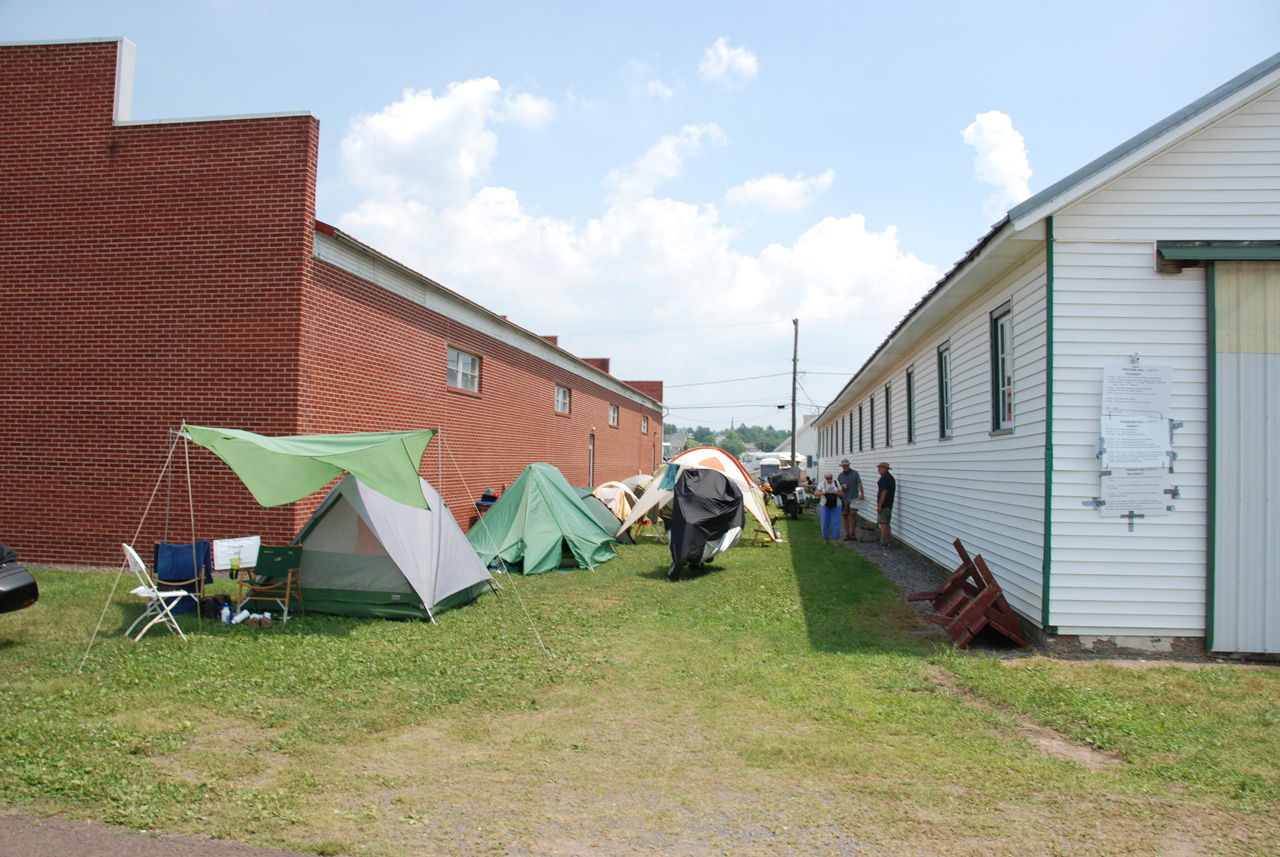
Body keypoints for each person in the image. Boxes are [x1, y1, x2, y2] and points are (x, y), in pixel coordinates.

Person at [836, 458, 865, 540]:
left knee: (853, 515)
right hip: (844, 498)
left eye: (845, 465)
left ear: (848, 465)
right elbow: (837, 486)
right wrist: (841, 487)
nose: (844, 467)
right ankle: (847, 533)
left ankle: (853, 532)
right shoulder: (840, 475)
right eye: (843, 465)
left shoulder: (855, 473)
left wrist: (862, 493)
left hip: (854, 497)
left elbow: (859, 483)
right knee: (845, 515)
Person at [815, 471, 842, 545]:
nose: (829, 480)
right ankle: (826, 539)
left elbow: (841, 494)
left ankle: (835, 540)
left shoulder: (836, 483)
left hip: (836, 504)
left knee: (835, 523)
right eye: (827, 479)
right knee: (824, 522)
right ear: (825, 478)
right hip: (824, 505)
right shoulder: (822, 484)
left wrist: (836, 493)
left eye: (830, 478)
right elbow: (816, 493)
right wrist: (824, 492)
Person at [875, 462, 896, 548]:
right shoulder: (891, 478)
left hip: (884, 505)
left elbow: (884, 492)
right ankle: (888, 542)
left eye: (879, 468)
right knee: (887, 523)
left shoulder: (884, 478)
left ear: (885, 468)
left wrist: (880, 504)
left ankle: (883, 542)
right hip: (889, 504)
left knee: (883, 523)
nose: (878, 470)